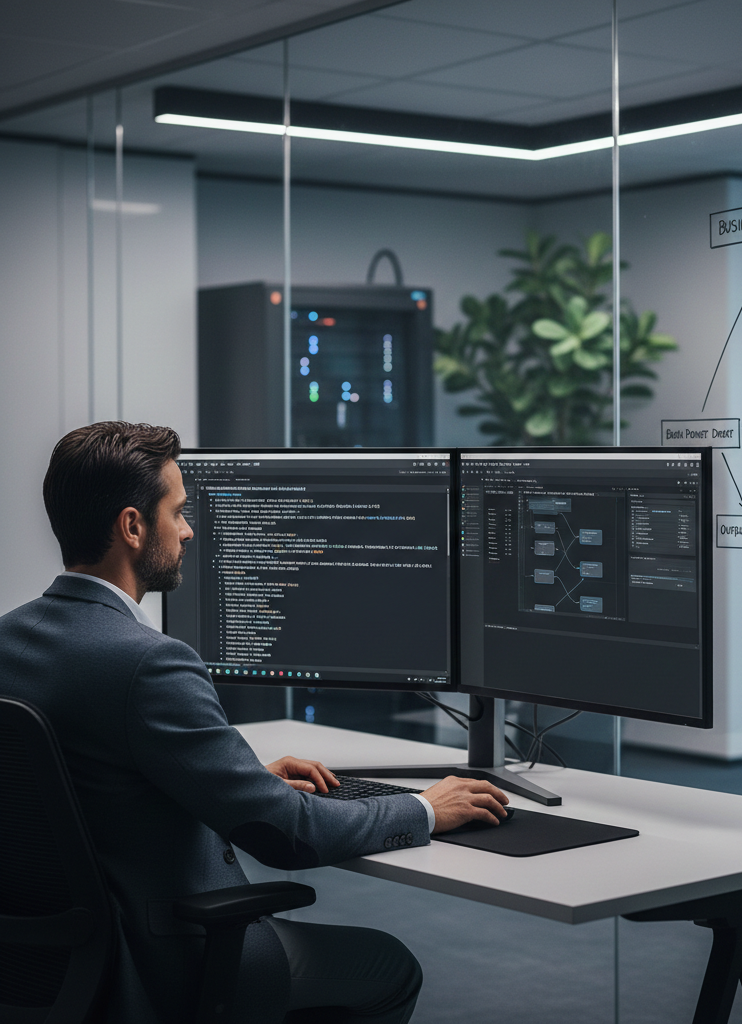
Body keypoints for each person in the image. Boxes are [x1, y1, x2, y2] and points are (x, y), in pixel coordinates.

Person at [0, 421, 509, 1024]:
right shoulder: (150, 663)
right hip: (158, 959)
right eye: (179, 512)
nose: (189, 531)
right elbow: (286, 835)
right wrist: (426, 808)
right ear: (133, 527)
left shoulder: (10, 641)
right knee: (386, 966)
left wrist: (238, 777)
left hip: (37, 964)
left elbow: (83, 786)